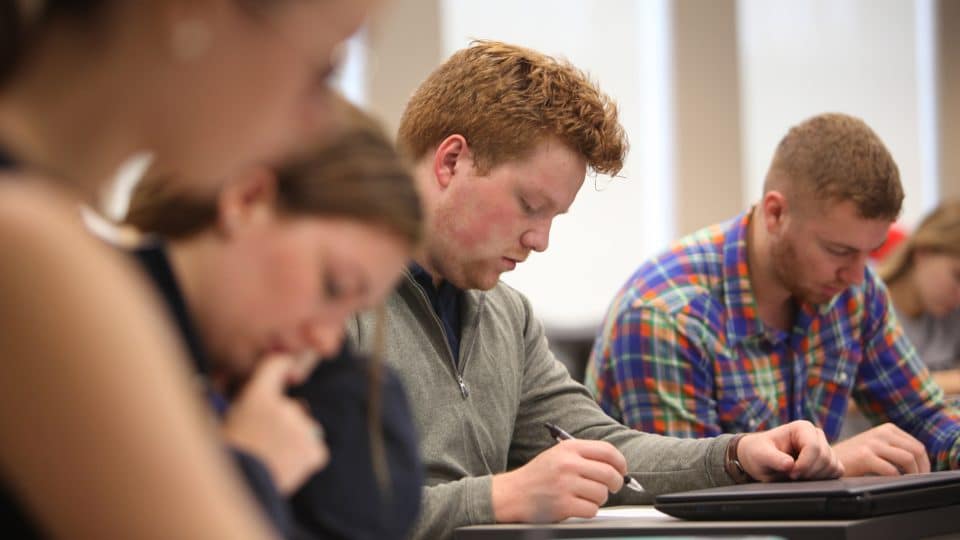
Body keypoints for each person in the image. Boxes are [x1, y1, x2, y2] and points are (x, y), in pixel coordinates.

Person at [346, 40, 842, 540]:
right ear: (452, 162)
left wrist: (736, 456)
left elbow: (602, 447)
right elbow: (305, 510)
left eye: (552, 217)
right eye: (529, 205)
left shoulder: (507, 315)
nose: (539, 241)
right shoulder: (329, 300)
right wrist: (497, 498)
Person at [0, 0, 375, 537]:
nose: (318, 128)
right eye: (325, 69)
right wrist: (251, 473)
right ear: (192, 11)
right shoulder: (32, 249)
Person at [587, 112, 960, 480]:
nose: (857, 275)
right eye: (839, 250)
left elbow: (925, 417)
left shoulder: (854, 294)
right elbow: (690, 491)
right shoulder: (667, 313)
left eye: (871, 251)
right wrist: (830, 465)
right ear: (776, 213)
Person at [123, 106, 424, 539]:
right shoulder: (76, 331)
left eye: (352, 314)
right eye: (334, 286)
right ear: (246, 200)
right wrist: (251, 471)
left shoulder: (257, 375)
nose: (325, 341)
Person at [878, 200, 960, 394]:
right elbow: (849, 397)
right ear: (923, 252)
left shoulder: (952, 317)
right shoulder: (867, 307)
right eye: (957, 276)